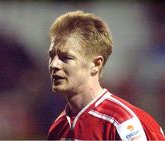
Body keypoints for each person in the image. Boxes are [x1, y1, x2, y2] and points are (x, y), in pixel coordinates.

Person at [47, 11, 164, 140]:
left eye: (66, 58)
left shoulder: (123, 122)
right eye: (51, 56)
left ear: (96, 64)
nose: (54, 64)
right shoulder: (58, 127)